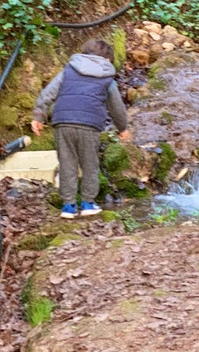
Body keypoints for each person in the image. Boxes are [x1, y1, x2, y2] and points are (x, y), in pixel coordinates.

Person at [31, 38, 130, 219]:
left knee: (67, 163)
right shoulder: (107, 79)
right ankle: (87, 203)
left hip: (63, 122)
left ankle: (68, 206)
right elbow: (117, 107)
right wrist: (122, 127)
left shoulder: (69, 70)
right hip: (89, 125)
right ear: (107, 59)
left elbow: (48, 93)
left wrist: (39, 115)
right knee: (89, 164)